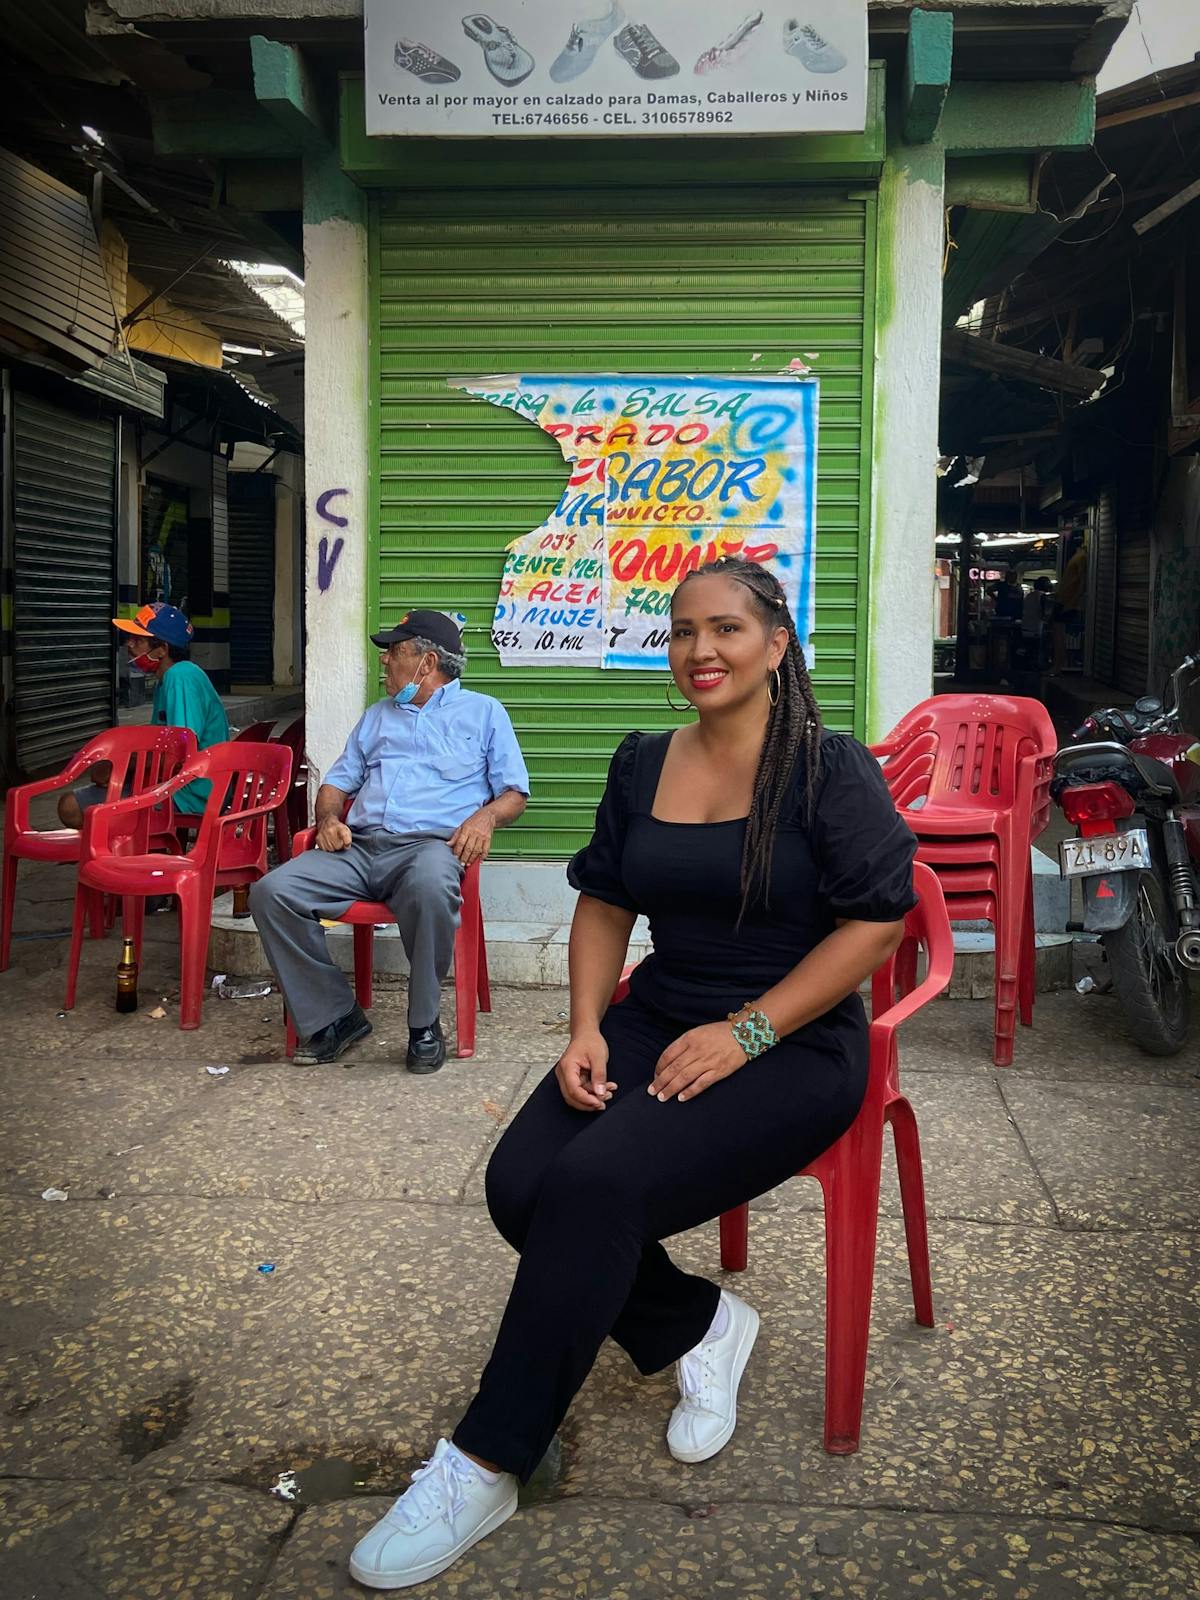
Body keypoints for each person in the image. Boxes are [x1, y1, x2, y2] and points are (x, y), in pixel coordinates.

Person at [346, 557, 917, 1591]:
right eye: (683, 630)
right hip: (656, 1014)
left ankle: (487, 1459)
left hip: (794, 1039)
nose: (702, 649)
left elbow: (877, 926)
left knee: (595, 1184)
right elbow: (606, 901)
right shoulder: (642, 761)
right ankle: (699, 1323)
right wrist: (585, 1027)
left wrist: (747, 1032)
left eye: (727, 628)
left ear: (776, 643)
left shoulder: (829, 770)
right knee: (520, 1183)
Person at [249, 610, 529, 1073]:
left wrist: (485, 818)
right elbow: (335, 784)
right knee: (272, 892)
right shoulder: (377, 717)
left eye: (395, 652)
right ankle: (335, 1017)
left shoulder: (484, 713)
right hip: (358, 849)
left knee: (431, 887)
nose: (384, 662)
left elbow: (514, 793)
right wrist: (328, 819)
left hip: (429, 850)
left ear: (427, 662)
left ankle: (423, 1025)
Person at [57, 602, 229, 828]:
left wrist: (120, 767)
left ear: (162, 649)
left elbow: (180, 751)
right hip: (176, 786)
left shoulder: (180, 676)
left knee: (70, 807)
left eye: (138, 640)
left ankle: (120, 847)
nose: (129, 644)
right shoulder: (167, 681)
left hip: (189, 793)